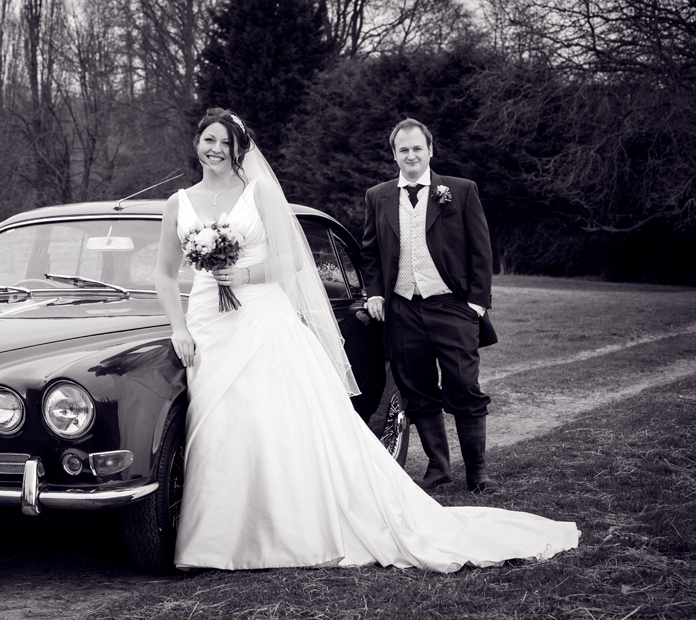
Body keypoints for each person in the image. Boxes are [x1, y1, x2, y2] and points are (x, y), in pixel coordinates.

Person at [155, 107, 578, 572]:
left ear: (240, 150)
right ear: (197, 143)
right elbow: (163, 273)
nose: (215, 150)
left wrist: (244, 272)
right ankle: (216, 538)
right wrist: (179, 327)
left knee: (276, 417)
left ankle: (293, 524)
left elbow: (292, 260)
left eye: (225, 143)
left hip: (262, 317)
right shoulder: (179, 202)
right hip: (207, 322)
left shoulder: (259, 193)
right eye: (208, 140)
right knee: (218, 423)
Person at [362, 118, 498, 493]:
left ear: (430, 150)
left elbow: (481, 251)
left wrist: (475, 304)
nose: (410, 155)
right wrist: (375, 292)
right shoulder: (378, 196)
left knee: (465, 386)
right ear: (394, 155)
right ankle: (439, 469)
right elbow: (370, 253)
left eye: (417, 148)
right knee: (417, 390)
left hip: (453, 306)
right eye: (403, 149)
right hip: (403, 309)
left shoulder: (460, 191)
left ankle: (477, 472)